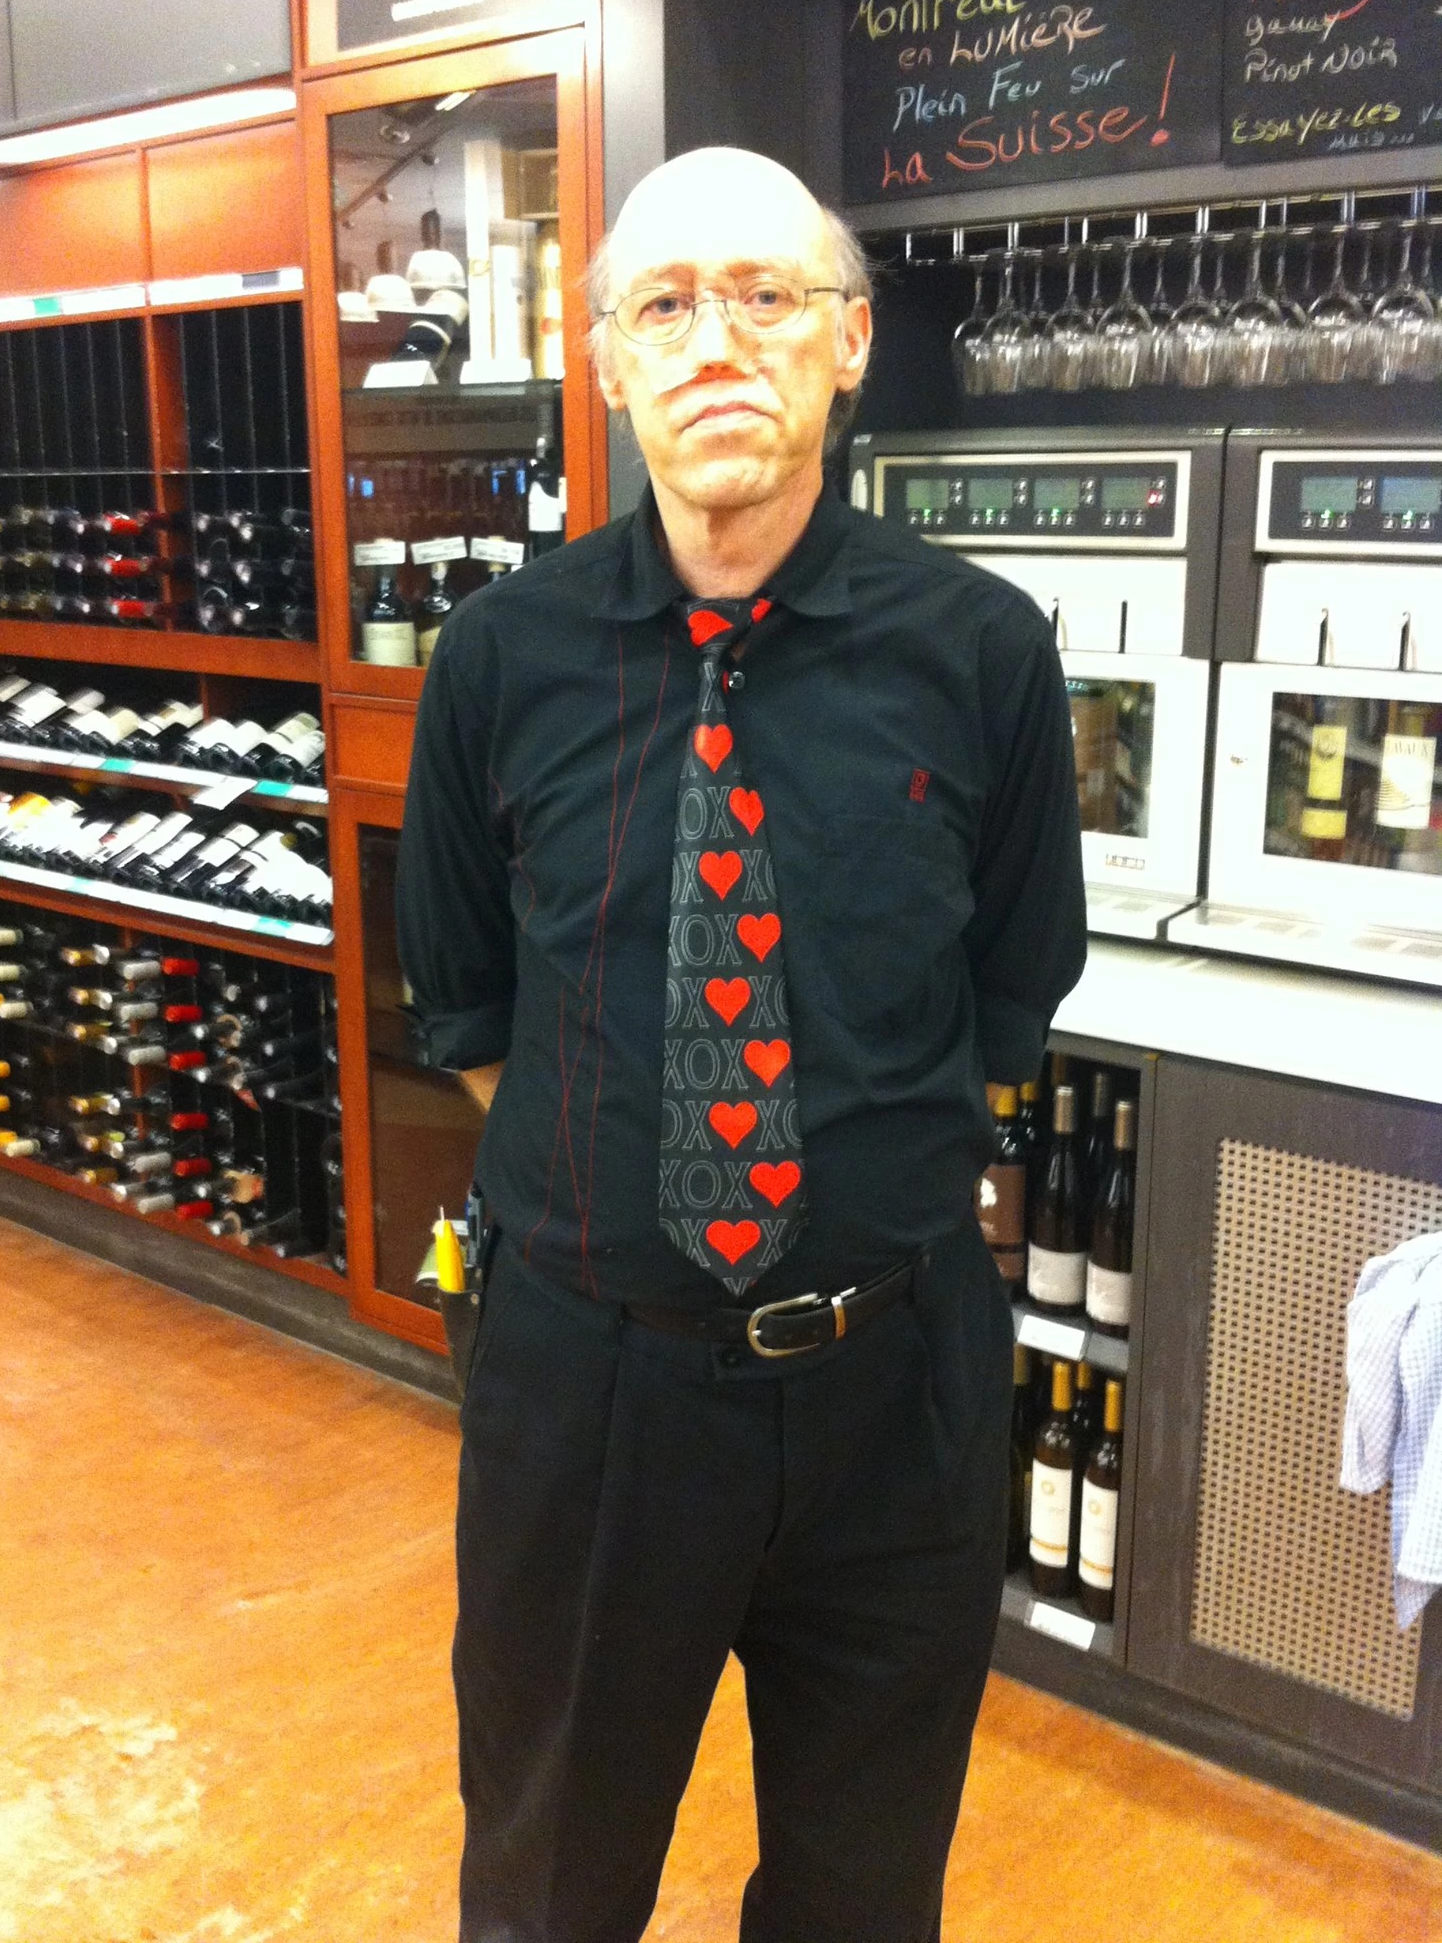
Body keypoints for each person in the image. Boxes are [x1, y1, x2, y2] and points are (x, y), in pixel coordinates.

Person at [397, 144, 1087, 1943]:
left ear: (849, 342)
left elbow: (1008, 1000)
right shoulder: (498, 660)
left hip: (895, 1389)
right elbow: (471, 1008)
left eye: (768, 296)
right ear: (609, 361)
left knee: (867, 1885)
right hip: (591, 1393)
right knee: (550, 1877)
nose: (717, 341)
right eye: (665, 305)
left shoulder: (984, 652)